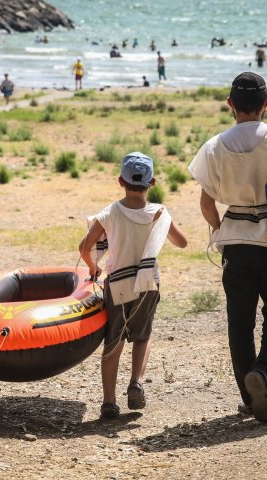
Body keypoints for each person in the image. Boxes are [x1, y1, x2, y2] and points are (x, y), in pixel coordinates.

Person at [188, 72, 267, 424]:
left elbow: (206, 205)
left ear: (230, 105)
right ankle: (262, 372)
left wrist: (223, 231)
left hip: (236, 245)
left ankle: (249, 398)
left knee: (239, 323)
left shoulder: (213, 147)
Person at [79, 153, 187, 419]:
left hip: (117, 283)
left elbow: (85, 247)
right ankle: (136, 381)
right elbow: (181, 242)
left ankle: (109, 402)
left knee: (113, 341)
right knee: (142, 335)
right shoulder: (160, 213)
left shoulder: (111, 212)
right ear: (153, 182)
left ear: (120, 181)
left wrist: (94, 268)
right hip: (148, 283)